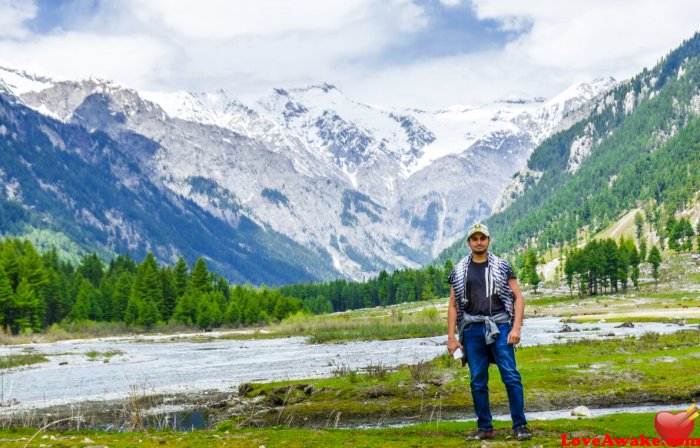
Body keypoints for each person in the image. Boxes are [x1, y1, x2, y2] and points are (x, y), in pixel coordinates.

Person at [446, 223, 531, 441]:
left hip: (501, 326)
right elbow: (453, 304)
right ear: (469, 242)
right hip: (472, 329)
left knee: (510, 375)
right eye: (474, 239)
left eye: (482, 238)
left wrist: (516, 327)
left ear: (488, 240)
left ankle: (520, 426)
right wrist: (451, 338)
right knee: (477, 380)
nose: (479, 242)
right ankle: (485, 428)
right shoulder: (458, 270)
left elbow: (518, 297)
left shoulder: (502, 266)